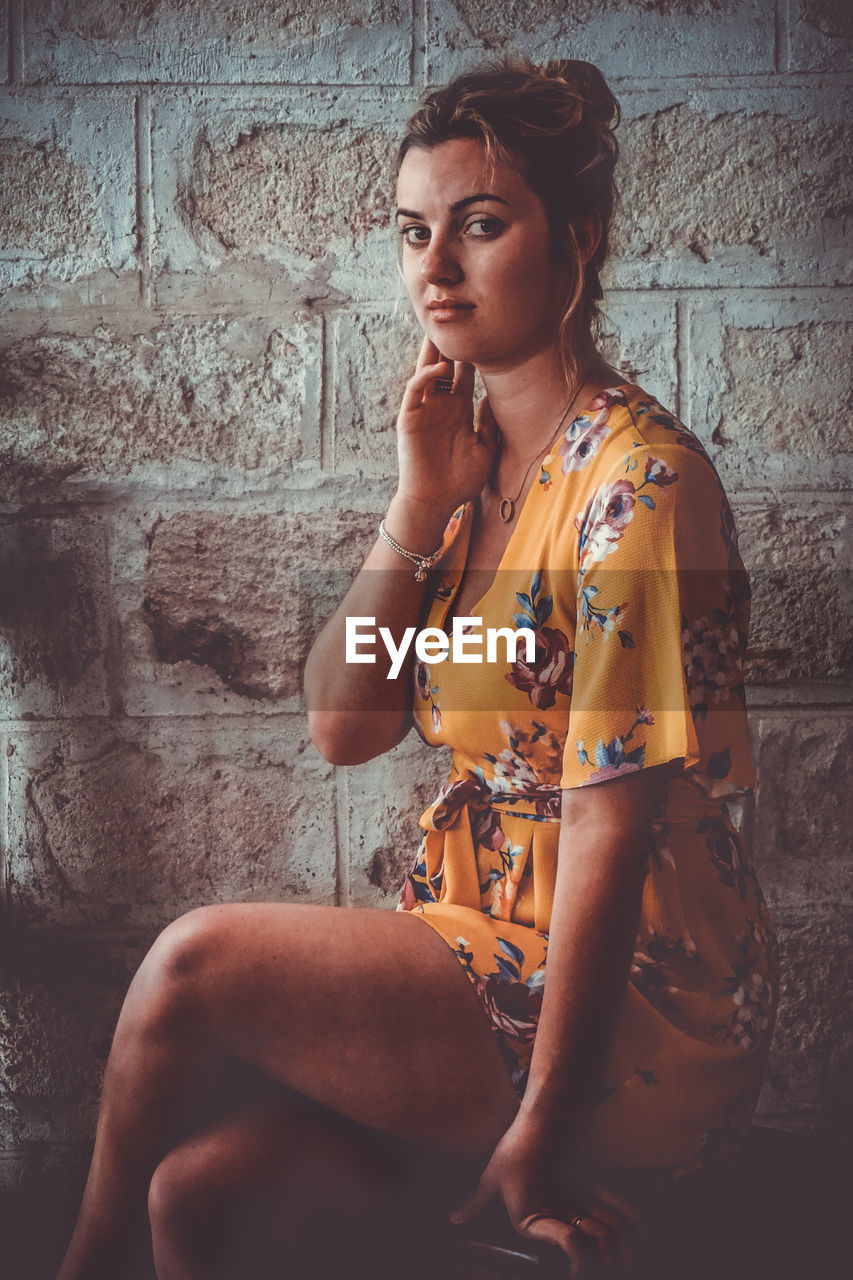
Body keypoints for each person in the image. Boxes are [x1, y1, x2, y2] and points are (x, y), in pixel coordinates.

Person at [56, 59, 778, 1280]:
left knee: (191, 965)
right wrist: (414, 501)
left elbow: (611, 825)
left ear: (579, 242)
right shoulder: (465, 471)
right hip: (479, 936)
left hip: (631, 991)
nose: (434, 267)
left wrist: (547, 1123)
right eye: (412, 233)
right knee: (200, 1195)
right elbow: (343, 725)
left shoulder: (637, 487)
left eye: (480, 226)